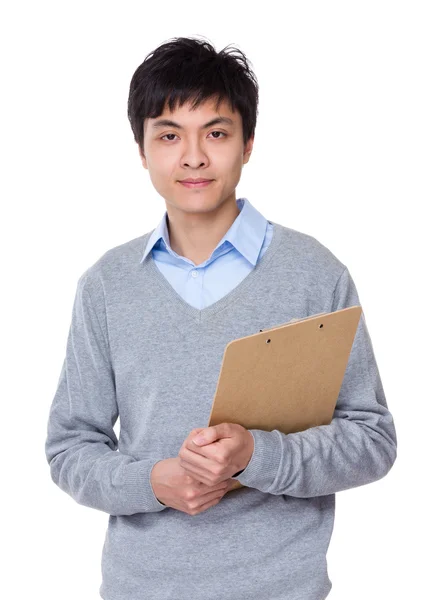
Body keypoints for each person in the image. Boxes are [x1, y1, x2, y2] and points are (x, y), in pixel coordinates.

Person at [45, 36, 398, 600]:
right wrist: (152, 482)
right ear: (141, 150)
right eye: (168, 135)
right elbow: (70, 448)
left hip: (284, 590)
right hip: (142, 588)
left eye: (216, 133)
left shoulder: (314, 273)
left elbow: (372, 441)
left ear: (248, 143)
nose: (193, 157)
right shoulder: (106, 286)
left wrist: (258, 456)